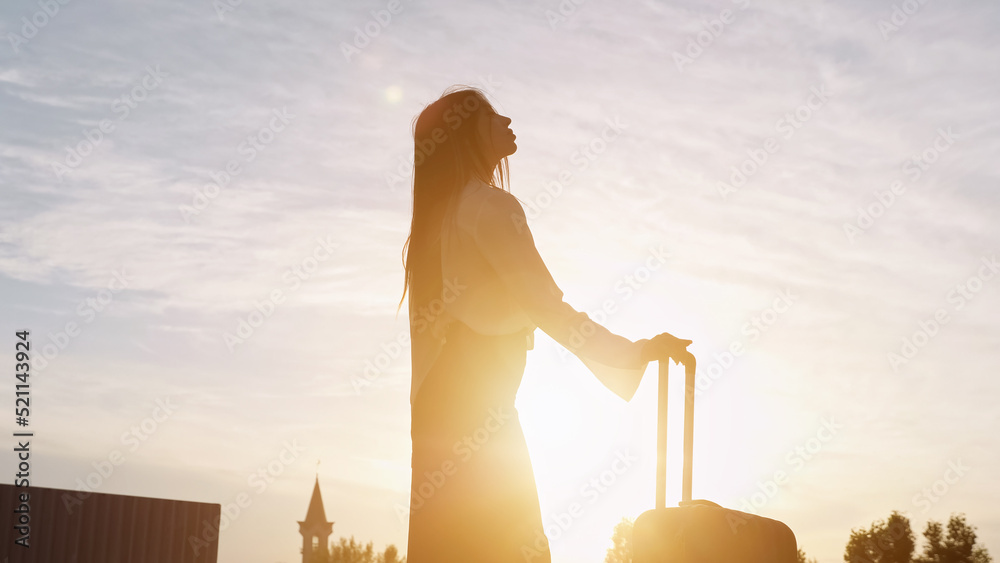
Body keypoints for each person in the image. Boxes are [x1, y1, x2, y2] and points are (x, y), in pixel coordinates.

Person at [397, 85, 693, 563]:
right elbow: (548, 309)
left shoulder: (433, 226)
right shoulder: (492, 207)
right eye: (492, 115)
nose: (507, 120)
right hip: (478, 414)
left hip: (439, 414)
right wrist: (634, 352)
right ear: (466, 133)